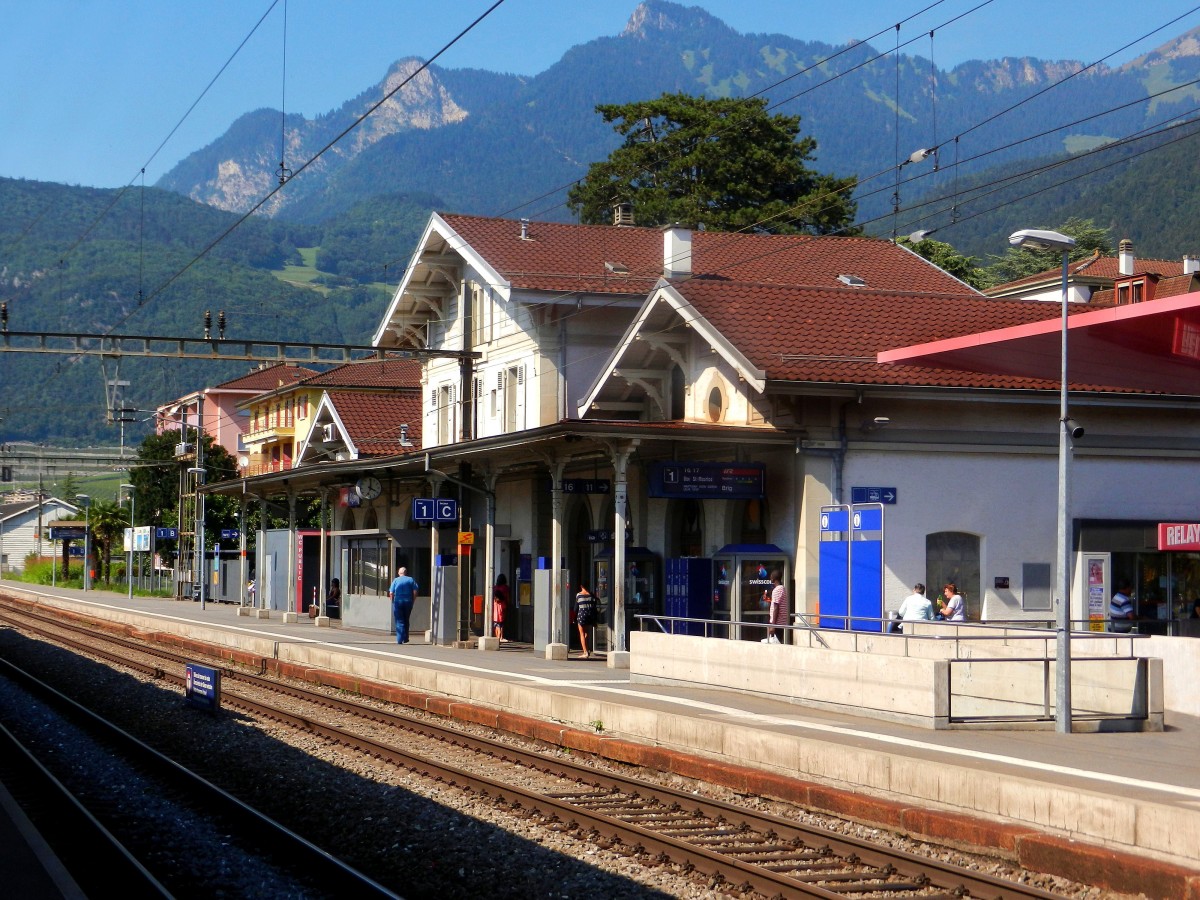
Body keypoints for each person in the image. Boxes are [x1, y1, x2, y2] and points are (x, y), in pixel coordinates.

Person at [389, 566, 419, 644]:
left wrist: (392, 601)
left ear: (399, 573)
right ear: (405, 573)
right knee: (406, 619)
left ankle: (399, 639)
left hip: (398, 602)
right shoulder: (411, 579)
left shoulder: (396, 580)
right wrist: (413, 600)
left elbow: (391, 593)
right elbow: (415, 591)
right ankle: (405, 638)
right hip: (408, 601)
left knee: (399, 620)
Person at [763, 570, 787, 643]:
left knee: (775, 644)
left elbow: (776, 607)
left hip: (777, 623)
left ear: (774, 578)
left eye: (771, 577)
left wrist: (773, 625)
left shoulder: (777, 590)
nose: (770, 578)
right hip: (780, 622)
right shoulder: (782, 588)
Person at [575, 585, 597, 659]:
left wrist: (574, 618)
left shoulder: (579, 595)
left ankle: (585, 652)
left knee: (581, 633)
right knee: (586, 633)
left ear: (581, 586)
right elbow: (594, 607)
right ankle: (587, 649)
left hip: (581, 615)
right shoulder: (591, 595)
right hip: (589, 615)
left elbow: (576, 608)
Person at [492, 574, 509, 641]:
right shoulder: (505, 588)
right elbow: (507, 597)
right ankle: (501, 637)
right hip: (502, 605)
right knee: (501, 622)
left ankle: (497, 636)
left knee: (496, 623)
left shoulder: (495, 587)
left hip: (495, 605)